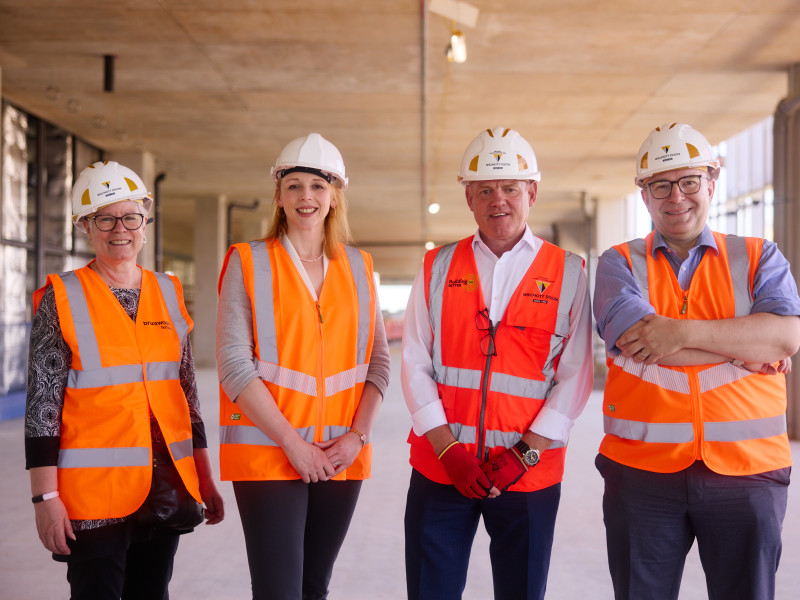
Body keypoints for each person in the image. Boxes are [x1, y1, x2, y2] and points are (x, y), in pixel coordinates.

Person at [593, 122, 800, 600]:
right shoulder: (618, 263)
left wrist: (678, 333)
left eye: (689, 181)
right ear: (643, 195)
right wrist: (746, 345)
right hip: (641, 472)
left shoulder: (759, 257)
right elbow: (635, 340)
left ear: (712, 181)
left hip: (749, 470)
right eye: (660, 186)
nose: (677, 197)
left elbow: (785, 338)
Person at [401, 127, 594, 600]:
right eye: (485, 190)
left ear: (532, 192)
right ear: (468, 197)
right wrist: (448, 451)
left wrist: (524, 453)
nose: (498, 200)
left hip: (528, 474)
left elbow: (575, 375)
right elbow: (414, 361)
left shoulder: (569, 272)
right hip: (441, 469)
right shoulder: (437, 267)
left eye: (510, 187)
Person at [25, 160, 225, 600]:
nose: (121, 229)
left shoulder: (168, 291)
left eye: (131, 217)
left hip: (165, 484)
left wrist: (204, 476)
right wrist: (44, 498)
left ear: (145, 222)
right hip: (94, 497)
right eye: (105, 218)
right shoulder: (62, 297)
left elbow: (187, 393)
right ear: (85, 226)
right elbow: (42, 407)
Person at [216, 132, 390, 599]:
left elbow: (378, 363)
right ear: (278, 195)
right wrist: (293, 444)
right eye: (293, 185)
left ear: (334, 196)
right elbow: (234, 365)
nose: (305, 196)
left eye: (317, 186)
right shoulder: (248, 261)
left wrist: (357, 437)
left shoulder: (359, 267)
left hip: (339, 455)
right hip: (270, 453)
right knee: (279, 591)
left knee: (314, 588)